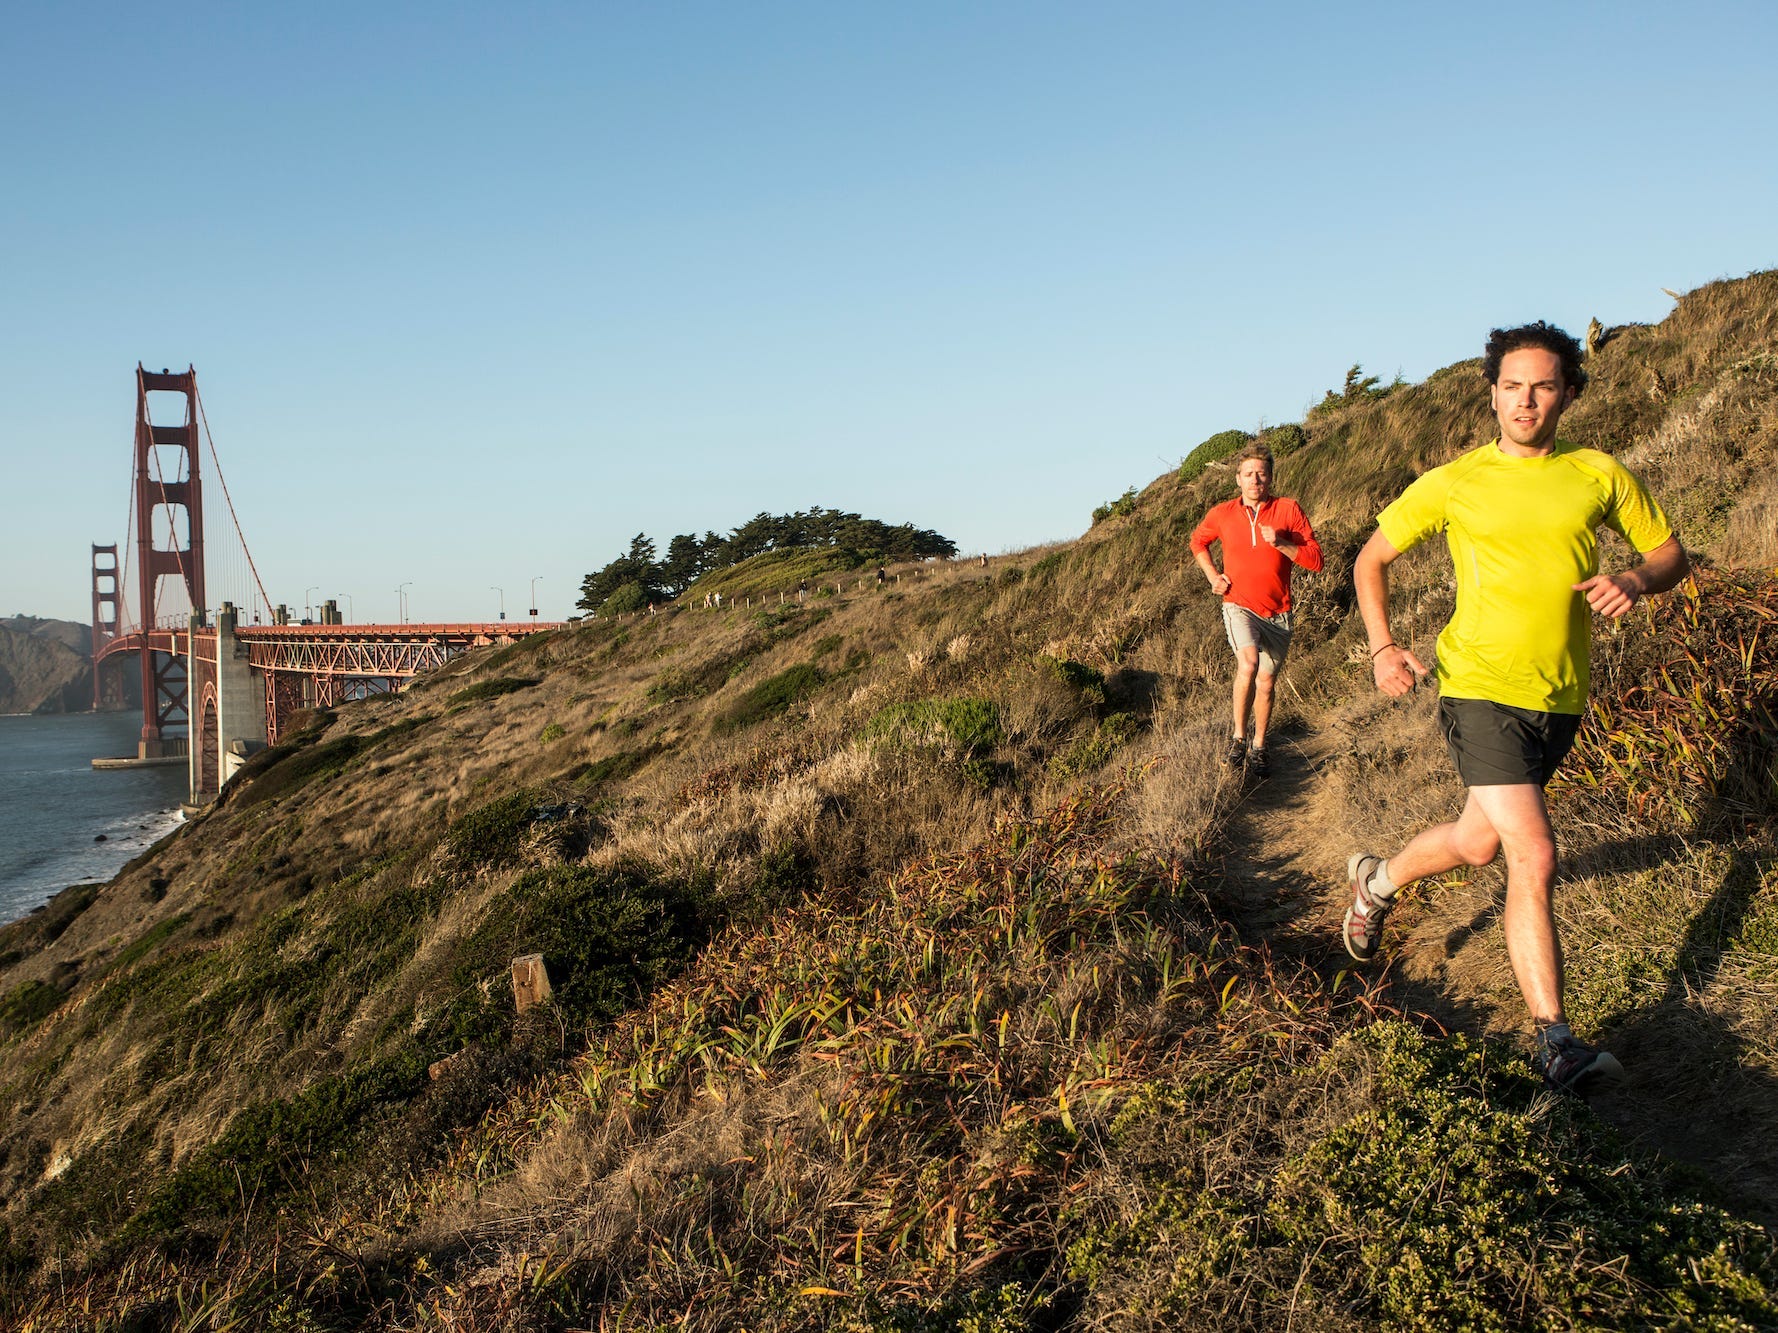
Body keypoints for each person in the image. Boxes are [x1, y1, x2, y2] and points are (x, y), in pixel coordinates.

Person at [1344, 321, 1689, 1098]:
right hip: (1477, 687)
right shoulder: (1458, 479)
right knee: (1533, 852)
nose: (1525, 399)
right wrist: (1381, 646)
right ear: (1491, 391)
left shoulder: (1599, 473)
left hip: (1558, 695)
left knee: (1477, 844)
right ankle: (1557, 1045)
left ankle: (1376, 882)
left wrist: (1636, 579)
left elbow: (1671, 552)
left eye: (1541, 385)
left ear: (1568, 390)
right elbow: (1372, 556)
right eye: (1511, 385)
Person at [1190, 441, 1323, 777]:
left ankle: (1259, 747)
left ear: (1270, 479)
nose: (1255, 480)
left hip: (1279, 611)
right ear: (1238, 479)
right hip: (1239, 605)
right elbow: (1198, 542)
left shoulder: (1288, 510)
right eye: (1248, 474)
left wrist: (1281, 543)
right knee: (1248, 664)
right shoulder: (1222, 513)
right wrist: (1213, 577)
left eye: (1261, 475)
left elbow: (1316, 561)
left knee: (1266, 682)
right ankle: (1238, 738)